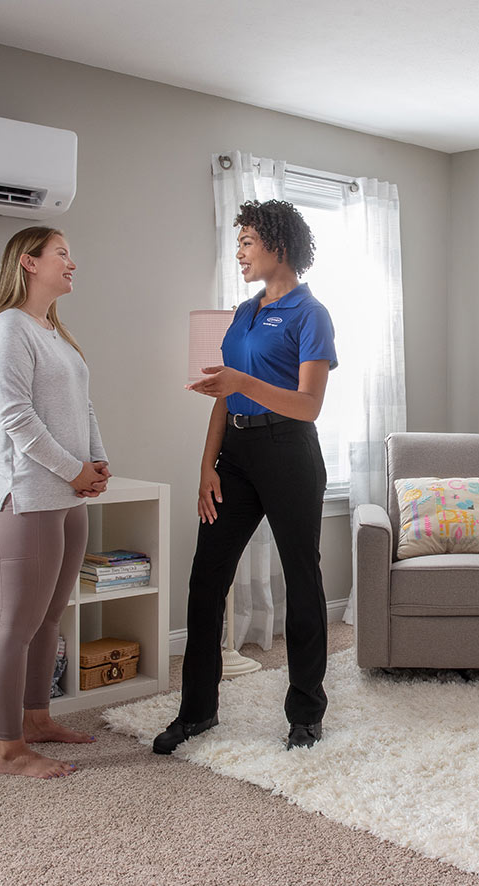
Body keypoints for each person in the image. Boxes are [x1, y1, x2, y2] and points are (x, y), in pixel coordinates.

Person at [154, 199, 337, 754]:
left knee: (302, 580)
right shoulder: (242, 312)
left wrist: (242, 381)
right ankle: (197, 712)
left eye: (247, 242)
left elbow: (308, 406)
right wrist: (206, 464)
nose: (239, 253)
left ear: (278, 246)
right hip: (233, 451)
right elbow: (224, 393)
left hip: (288, 450)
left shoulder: (312, 314)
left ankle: (306, 712)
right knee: (205, 579)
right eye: (238, 244)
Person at [0, 226, 111, 778]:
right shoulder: (6, 329)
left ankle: (37, 719)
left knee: (49, 618)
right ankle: (8, 750)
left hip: (67, 496)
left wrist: (96, 465)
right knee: (17, 624)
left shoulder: (52, 331)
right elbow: (14, 417)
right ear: (29, 263)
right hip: (26, 499)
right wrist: (74, 470)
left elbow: (84, 409)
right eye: (62, 254)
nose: (72, 263)